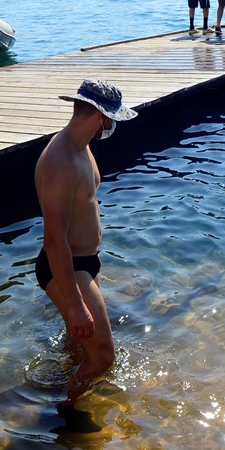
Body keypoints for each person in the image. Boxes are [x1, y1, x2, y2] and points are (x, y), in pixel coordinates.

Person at [34, 79, 138, 398]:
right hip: (67, 266)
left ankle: (61, 384)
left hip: (85, 263)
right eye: (112, 119)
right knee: (103, 358)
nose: (112, 125)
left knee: (80, 347)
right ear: (100, 116)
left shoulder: (83, 146)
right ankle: (65, 419)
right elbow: (53, 241)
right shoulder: (59, 161)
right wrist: (77, 304)